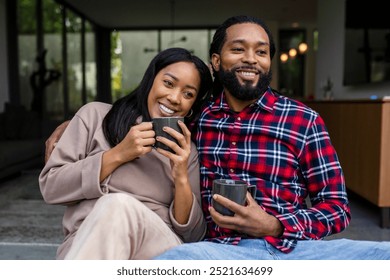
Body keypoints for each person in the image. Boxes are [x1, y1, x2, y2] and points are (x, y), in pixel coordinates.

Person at [45, 16, 390, 260]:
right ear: (217, 60)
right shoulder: (196, 120)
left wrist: (274, 224)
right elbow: (142, 113)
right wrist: (76, 127)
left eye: (262, 51)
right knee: (167, 255)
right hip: (218, 251)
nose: (250, 59)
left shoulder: (303, 119)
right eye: (238, 49)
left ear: (270, 61)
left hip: (293, 247)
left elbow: (338, 209)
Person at [39, 47, 213, 259]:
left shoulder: (186, 150)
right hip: (86, 243)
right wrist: (119, 154)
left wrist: (181, 176)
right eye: (168, 83)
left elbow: (194, 235)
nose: (175, 98)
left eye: (188, 94)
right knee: (115, 207)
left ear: (192, 106)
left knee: (119, 206)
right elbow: (51, 188)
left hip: (157, 249)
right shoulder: (94, 116)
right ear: (150, 80)